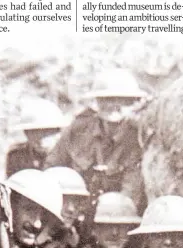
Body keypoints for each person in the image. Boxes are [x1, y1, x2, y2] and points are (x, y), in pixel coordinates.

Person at [45, 68, 148, 212]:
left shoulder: (138, 140)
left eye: (121, 100)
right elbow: (52, 168)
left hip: (115, 217)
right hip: (75, 211)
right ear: (97, 101)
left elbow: (131, 193)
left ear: (133, 103)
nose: (112, 105)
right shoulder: (78, 130)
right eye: (106, 99)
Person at [5, 98, 67, 175]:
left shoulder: (68, 157)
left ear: (58, 132)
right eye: (35, 132)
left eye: (47, 132)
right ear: (26, 133)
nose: (41, 139)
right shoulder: (17, 156)